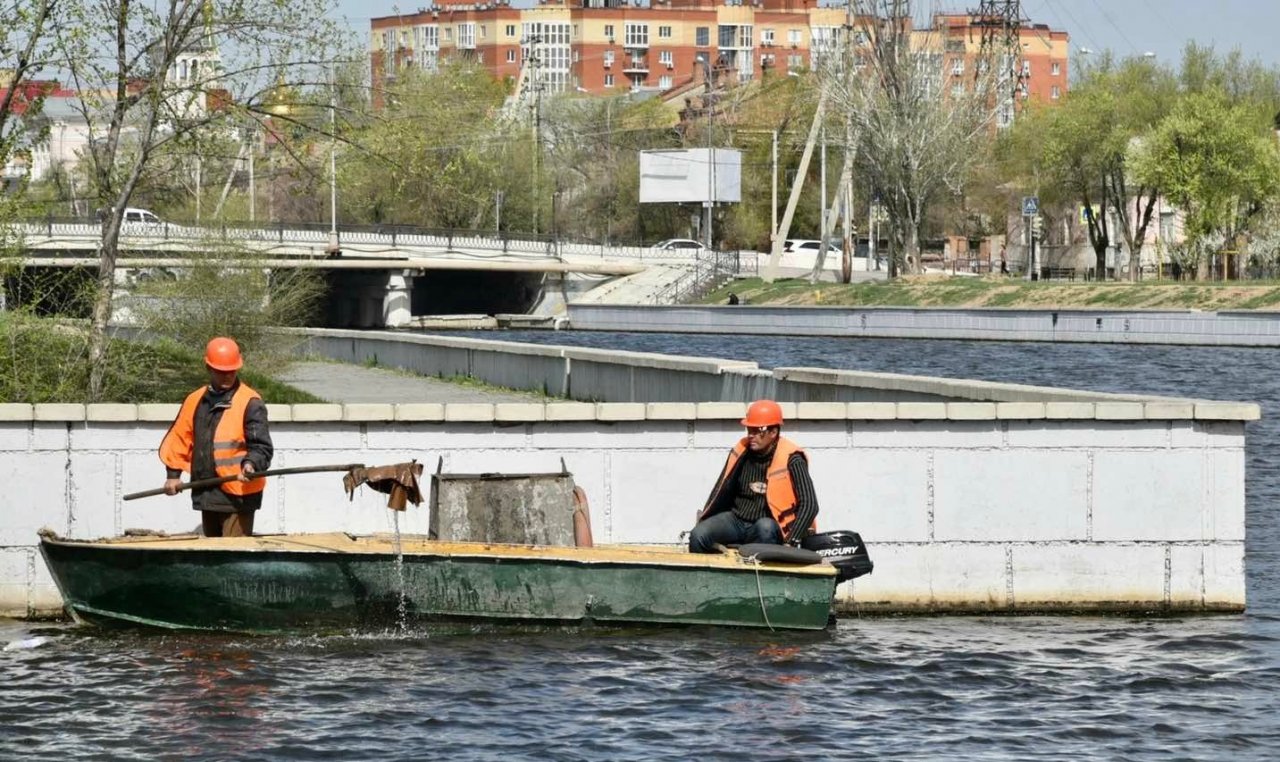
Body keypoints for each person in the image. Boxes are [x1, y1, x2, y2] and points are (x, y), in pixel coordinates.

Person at [159, 337, 273, 537]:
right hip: (207, 489)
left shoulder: (250, 402)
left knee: (232, 555)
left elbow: (261, 447)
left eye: (232, 371)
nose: (227, 376)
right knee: (212, 553)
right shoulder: (195, 400)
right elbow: (179, 439)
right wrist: (173, 476)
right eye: (222, 372)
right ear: (208, 368)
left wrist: (251, 465)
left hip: (239, 492)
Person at [688, 399, 819, 553]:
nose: (752, 435)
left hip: (768, 528)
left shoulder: (792, 458)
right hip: (736, 521)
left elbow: (810, 504)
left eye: (758, 431)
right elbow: (720, 491)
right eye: (750, 430)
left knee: (765, 528)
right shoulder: (740, 452)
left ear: (773, 432)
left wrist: (791, 541)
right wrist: (705, 519)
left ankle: (763, 576)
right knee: (698, 535)